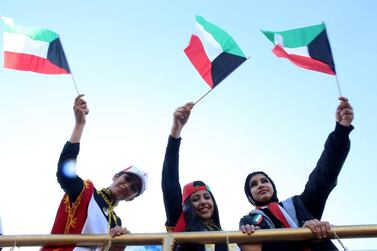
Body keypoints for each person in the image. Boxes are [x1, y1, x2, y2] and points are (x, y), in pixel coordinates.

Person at [239, 97, 354, 251]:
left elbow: (324, 175)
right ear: (249, 195)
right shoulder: (248, 221)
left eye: (264, 181)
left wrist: (341, 131)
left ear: (272, 186)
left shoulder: (300, 204)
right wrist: (304, 234)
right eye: (253, 184)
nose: (260, 185)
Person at [42, 95, 148, 251]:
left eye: (134, 188)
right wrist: (79, 125)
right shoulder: (86, 190)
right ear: (116, 176)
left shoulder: (117, 223)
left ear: (131, 198)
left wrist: (117, 247)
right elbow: (64, 172)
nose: (127, 186)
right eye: (127, 178)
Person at [162, 102, 230, 251]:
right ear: (186, 206)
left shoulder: (228, 236)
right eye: (195, 199)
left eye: (207, 197)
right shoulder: (179, 220)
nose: (203, 202)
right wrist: (176, 130)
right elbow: (170, 182)